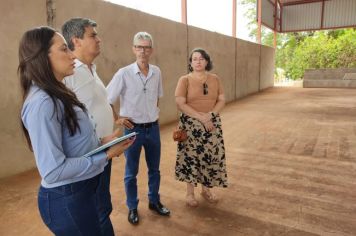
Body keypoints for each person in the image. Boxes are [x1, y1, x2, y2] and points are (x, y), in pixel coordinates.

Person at [18, 26, 134, 235]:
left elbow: (71, 140)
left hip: (79, 191)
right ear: (42, 57)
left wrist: (101, 142)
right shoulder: (42, 102)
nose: (72, 55)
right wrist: (105, 154)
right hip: (67, 199)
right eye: (64, 49)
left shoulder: (58, 92)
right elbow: (53, 171)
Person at [61, 17, 118, 235]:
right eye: (92, 35)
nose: (99, 39)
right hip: (88, 155)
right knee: (97, 210)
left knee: (102, 204)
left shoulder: (90, 69)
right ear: (76, 41)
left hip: (104, 150)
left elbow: (99, 104)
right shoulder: (69, 74)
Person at [106, 32, 170, 225]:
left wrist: (152, 112)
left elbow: (157, 96)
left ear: (152, 50)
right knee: (130, 171)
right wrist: (117, 118)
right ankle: (132, 206)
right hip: (132, 130)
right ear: (133, 49)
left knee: (154, 169)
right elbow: (107, 98)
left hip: (153, 128)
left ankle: (154, 201)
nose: (143, 51)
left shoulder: (156, 72)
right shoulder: (124, 73)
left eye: (147, 47)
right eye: (139, 47)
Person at [174, 48, 228, 207]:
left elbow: (222, 99)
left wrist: (210, 116)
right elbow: (180, 103)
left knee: (210, 157)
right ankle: (189, 193)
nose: (198, 61)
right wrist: (202, 118)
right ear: (190, 62)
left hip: (211, 123)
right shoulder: (184, 80)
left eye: (201, 58)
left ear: (207, 61)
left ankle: (206, 190)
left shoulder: (215, 79)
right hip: (191, 125)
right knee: (191, 158)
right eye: (194, 59)